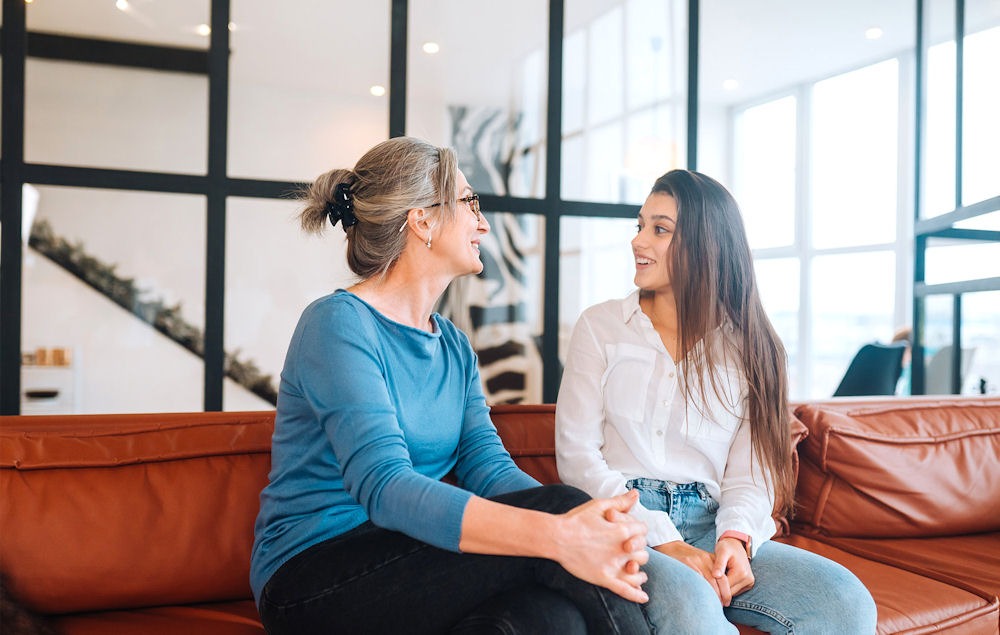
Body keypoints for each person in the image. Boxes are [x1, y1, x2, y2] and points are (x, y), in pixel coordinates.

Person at [250, 136, 654, 635]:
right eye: (469, 202)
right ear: (422, 220)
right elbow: (385, 487)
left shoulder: (454, 347)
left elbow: (489, 469)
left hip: (405, 557)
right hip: (310, 576)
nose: (482, 223)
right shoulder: (337, 325)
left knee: (552, 618)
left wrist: (589, 523)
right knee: (562, 513)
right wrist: (557, 529)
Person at [555, 169, 878, 634]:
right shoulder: (599, 326)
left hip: (710, 518)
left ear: (705, 246)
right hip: (623, 522)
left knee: (846, 603)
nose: (639, 241)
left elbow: (752, 473)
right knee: (693, 609)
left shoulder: (752, 346)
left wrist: (735, 539)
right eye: (640, 225)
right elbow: (577, 458)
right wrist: (664, 540)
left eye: (660, 229)